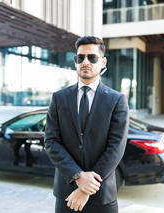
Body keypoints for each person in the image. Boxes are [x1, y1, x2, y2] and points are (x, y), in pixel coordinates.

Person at [44, 36, 129, 213]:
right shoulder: (59, 98)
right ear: (75, 61)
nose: (85, 62)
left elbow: (116, 148)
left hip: (102, 195)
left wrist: (86, 188)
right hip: (67, 194)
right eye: (80, 58)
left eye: (92, 58)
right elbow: (51, 142)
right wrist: (77, 176)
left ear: (103, 62)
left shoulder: (117, 100)